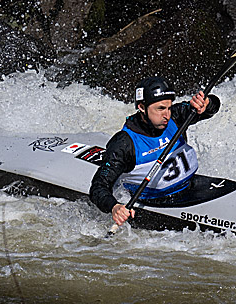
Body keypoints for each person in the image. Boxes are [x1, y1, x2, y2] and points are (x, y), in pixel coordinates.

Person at [90, 76, 220, 228]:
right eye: (160, 109)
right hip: (155, 203)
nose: (167, 115)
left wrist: (207, 103)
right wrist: (115, 207)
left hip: (190, 189)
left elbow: (213, 107)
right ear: (142, 107)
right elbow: (98, 186)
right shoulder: (124, 144)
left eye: (169, 107)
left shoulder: (176, 117)